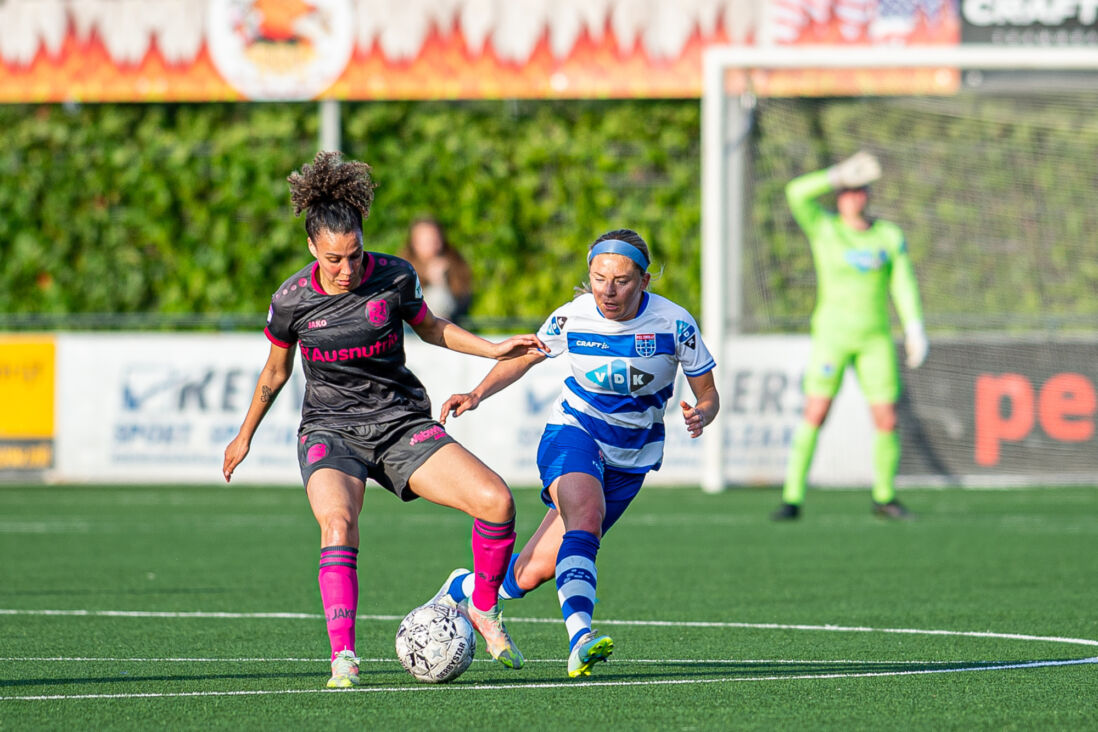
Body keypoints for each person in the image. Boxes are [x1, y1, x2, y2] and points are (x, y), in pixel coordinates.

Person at [221, 151, 543, 688]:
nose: (346, 269)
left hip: (399, 423)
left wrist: (492, 350)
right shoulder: (291, 299)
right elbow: (275, 373)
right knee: (338, 524)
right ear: (311, 248)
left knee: (497, 501)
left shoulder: (395, 276)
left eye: (353, 254)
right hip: (331, 430)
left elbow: (433, 327)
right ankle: (343, 657)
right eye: (333, 259)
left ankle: (483, 608)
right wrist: (244, 434)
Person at [427, 228, 720, 678]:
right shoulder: (573, 317)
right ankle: (581, 638)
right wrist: (477, 393)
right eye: (599, 277)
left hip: (632, 457)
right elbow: (524, 357)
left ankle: (463, 585)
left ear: (643, 280)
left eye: (621, 280)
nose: (608, 290)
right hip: (575, 432)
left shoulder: (675, 324)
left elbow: (709, 394)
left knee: (529, 573)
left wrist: (701, 413)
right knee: (585, 517)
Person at [772, 150, 928, 522]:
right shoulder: (825, 229)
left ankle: (884, 495)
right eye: (848, 190)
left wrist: (915, 325)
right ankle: (792, 497)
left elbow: (903, 284)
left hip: (875, 339)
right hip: (833, 337)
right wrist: (834, 175)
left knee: (887, 418)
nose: (854, 197)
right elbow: (796, 193)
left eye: (861, 190)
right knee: (816, 411)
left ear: (869, 195)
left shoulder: (888, 236)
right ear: (840, 195)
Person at [397, 216, 473, 322]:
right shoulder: (402, 271)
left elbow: (461, 306)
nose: (432, 245)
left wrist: (440, 282)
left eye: (435, 239)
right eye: (425, 240)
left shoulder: (456, 266)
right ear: (413, 243)